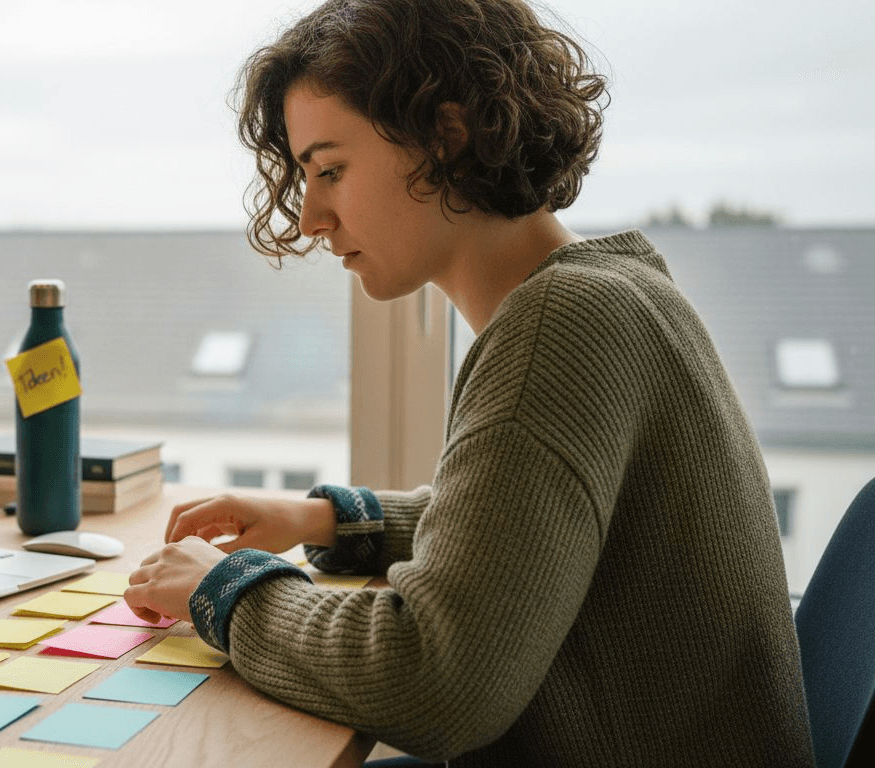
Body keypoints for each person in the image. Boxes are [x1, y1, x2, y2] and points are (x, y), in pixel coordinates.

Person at [121, 0, 816, 765]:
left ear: (445, 137)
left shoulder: (564, 324)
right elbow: (521, 531)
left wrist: (224, 589)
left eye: (331, 170)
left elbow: (434, 680)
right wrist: (323, 520)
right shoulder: (617, 286)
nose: (312, 215)